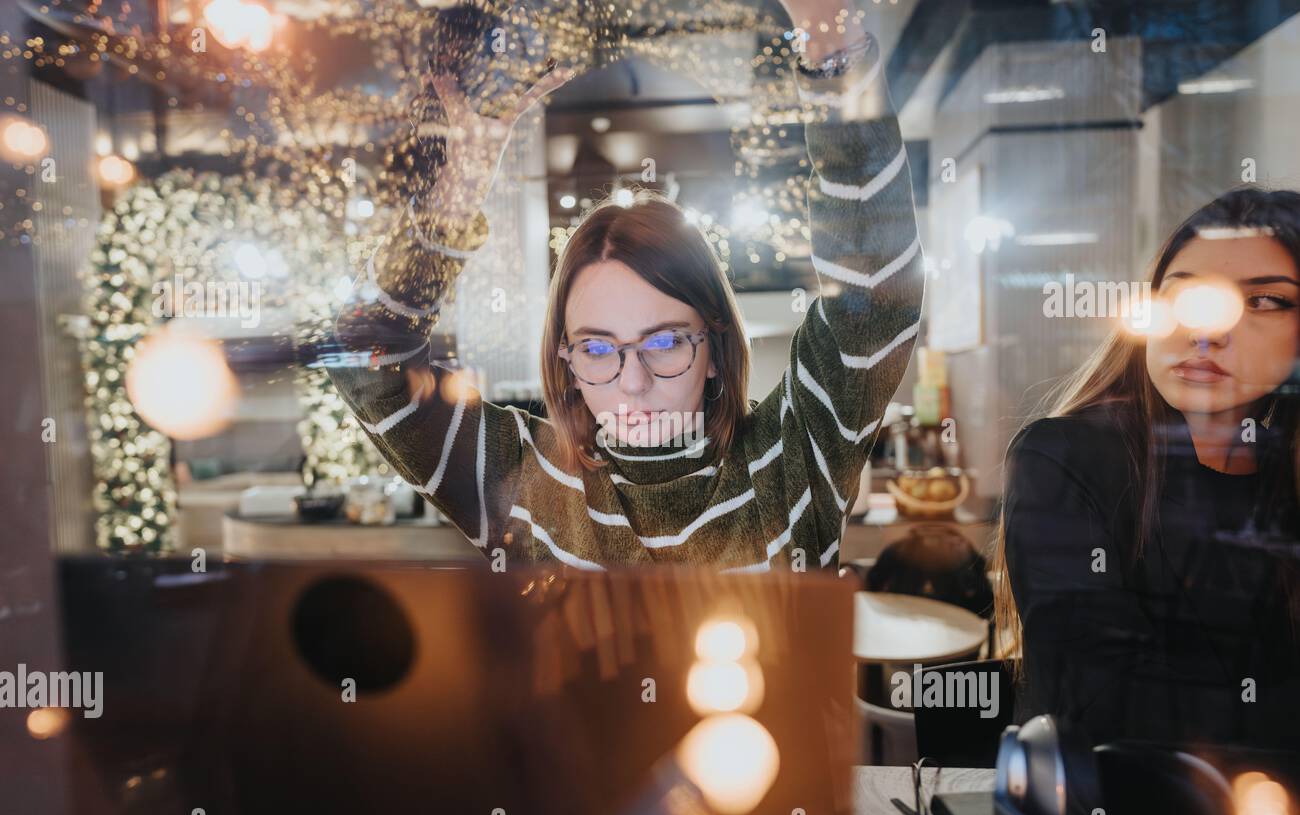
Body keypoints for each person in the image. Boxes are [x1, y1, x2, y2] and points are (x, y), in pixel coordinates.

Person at [326, 1, 923, 571]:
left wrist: (831, 47)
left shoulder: (795, 457)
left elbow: (873, 300)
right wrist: (449, 209)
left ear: (713, 349)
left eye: (664, 344)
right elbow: (365, 362)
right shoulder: (528, 486)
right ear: (567, 357)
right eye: (597, 348)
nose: (632, 384)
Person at [995, 187, 1300, 753]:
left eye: (1264, 302)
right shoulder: (1064, 458)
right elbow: (1105, 706)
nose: (1205, 331)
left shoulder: (1283, 482)